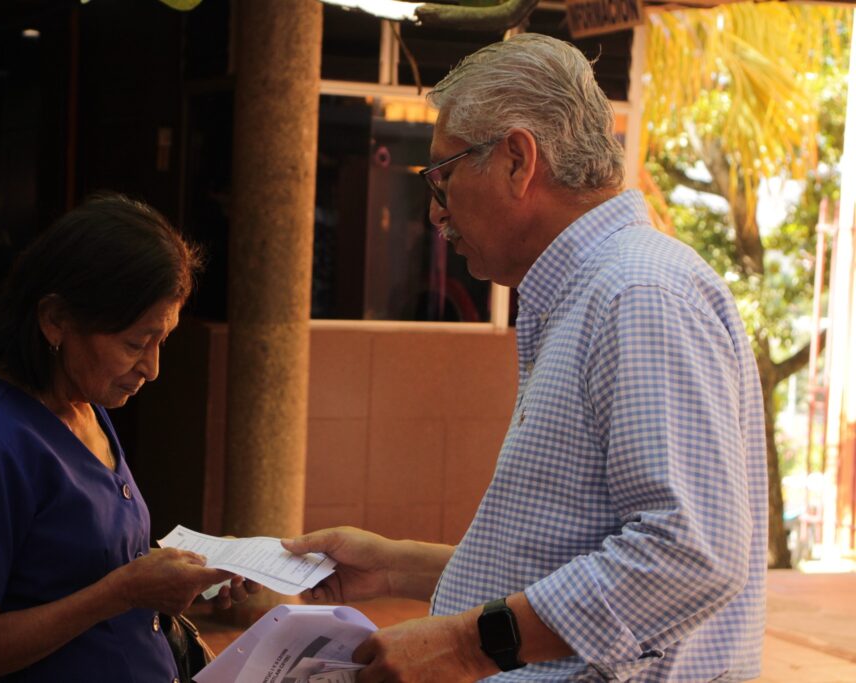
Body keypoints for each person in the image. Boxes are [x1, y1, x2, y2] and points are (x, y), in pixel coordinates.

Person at [284, 33, 767, 682]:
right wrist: (400, 565)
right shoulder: (587, 292)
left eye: (443, 175)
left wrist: (463, 644)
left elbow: (687, 552)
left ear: (516, 159)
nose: (435, 212)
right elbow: (576, 549)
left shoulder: (637, 293)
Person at [0, 194, 257, 682]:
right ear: (56, 319)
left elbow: (72, 564)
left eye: (164, 341)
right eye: (135, 344)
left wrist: (193, 569)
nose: (153, 368)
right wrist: (122, 592)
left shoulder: (84, 402)